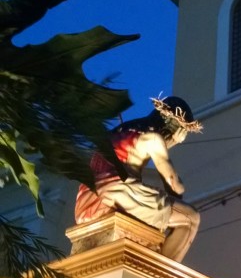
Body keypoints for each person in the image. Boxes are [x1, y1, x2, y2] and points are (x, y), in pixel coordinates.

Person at [75, 96, 202, 262]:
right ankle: (161, 274)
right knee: (190, 218)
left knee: (157, 214)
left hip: (86, 203)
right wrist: (171, 145)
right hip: (118, 194)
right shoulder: (153, 138)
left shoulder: (122, 130)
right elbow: (175, 186)